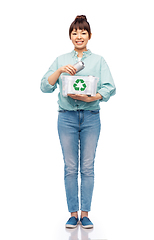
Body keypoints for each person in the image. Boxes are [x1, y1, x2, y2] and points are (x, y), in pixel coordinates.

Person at [40, 15, 116, 229]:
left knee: (88, 167)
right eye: (75, 32)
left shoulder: (99, 60)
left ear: (89, 36)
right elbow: (45, 86)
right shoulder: (61, 59)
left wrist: (93, 97)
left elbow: (110, 87)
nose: (79, 36)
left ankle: (86, 214)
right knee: (70, 167)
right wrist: (60, 70)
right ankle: (73, 214)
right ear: (70, 36)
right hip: (66, 118)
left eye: (83, 32)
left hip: (91, 117)